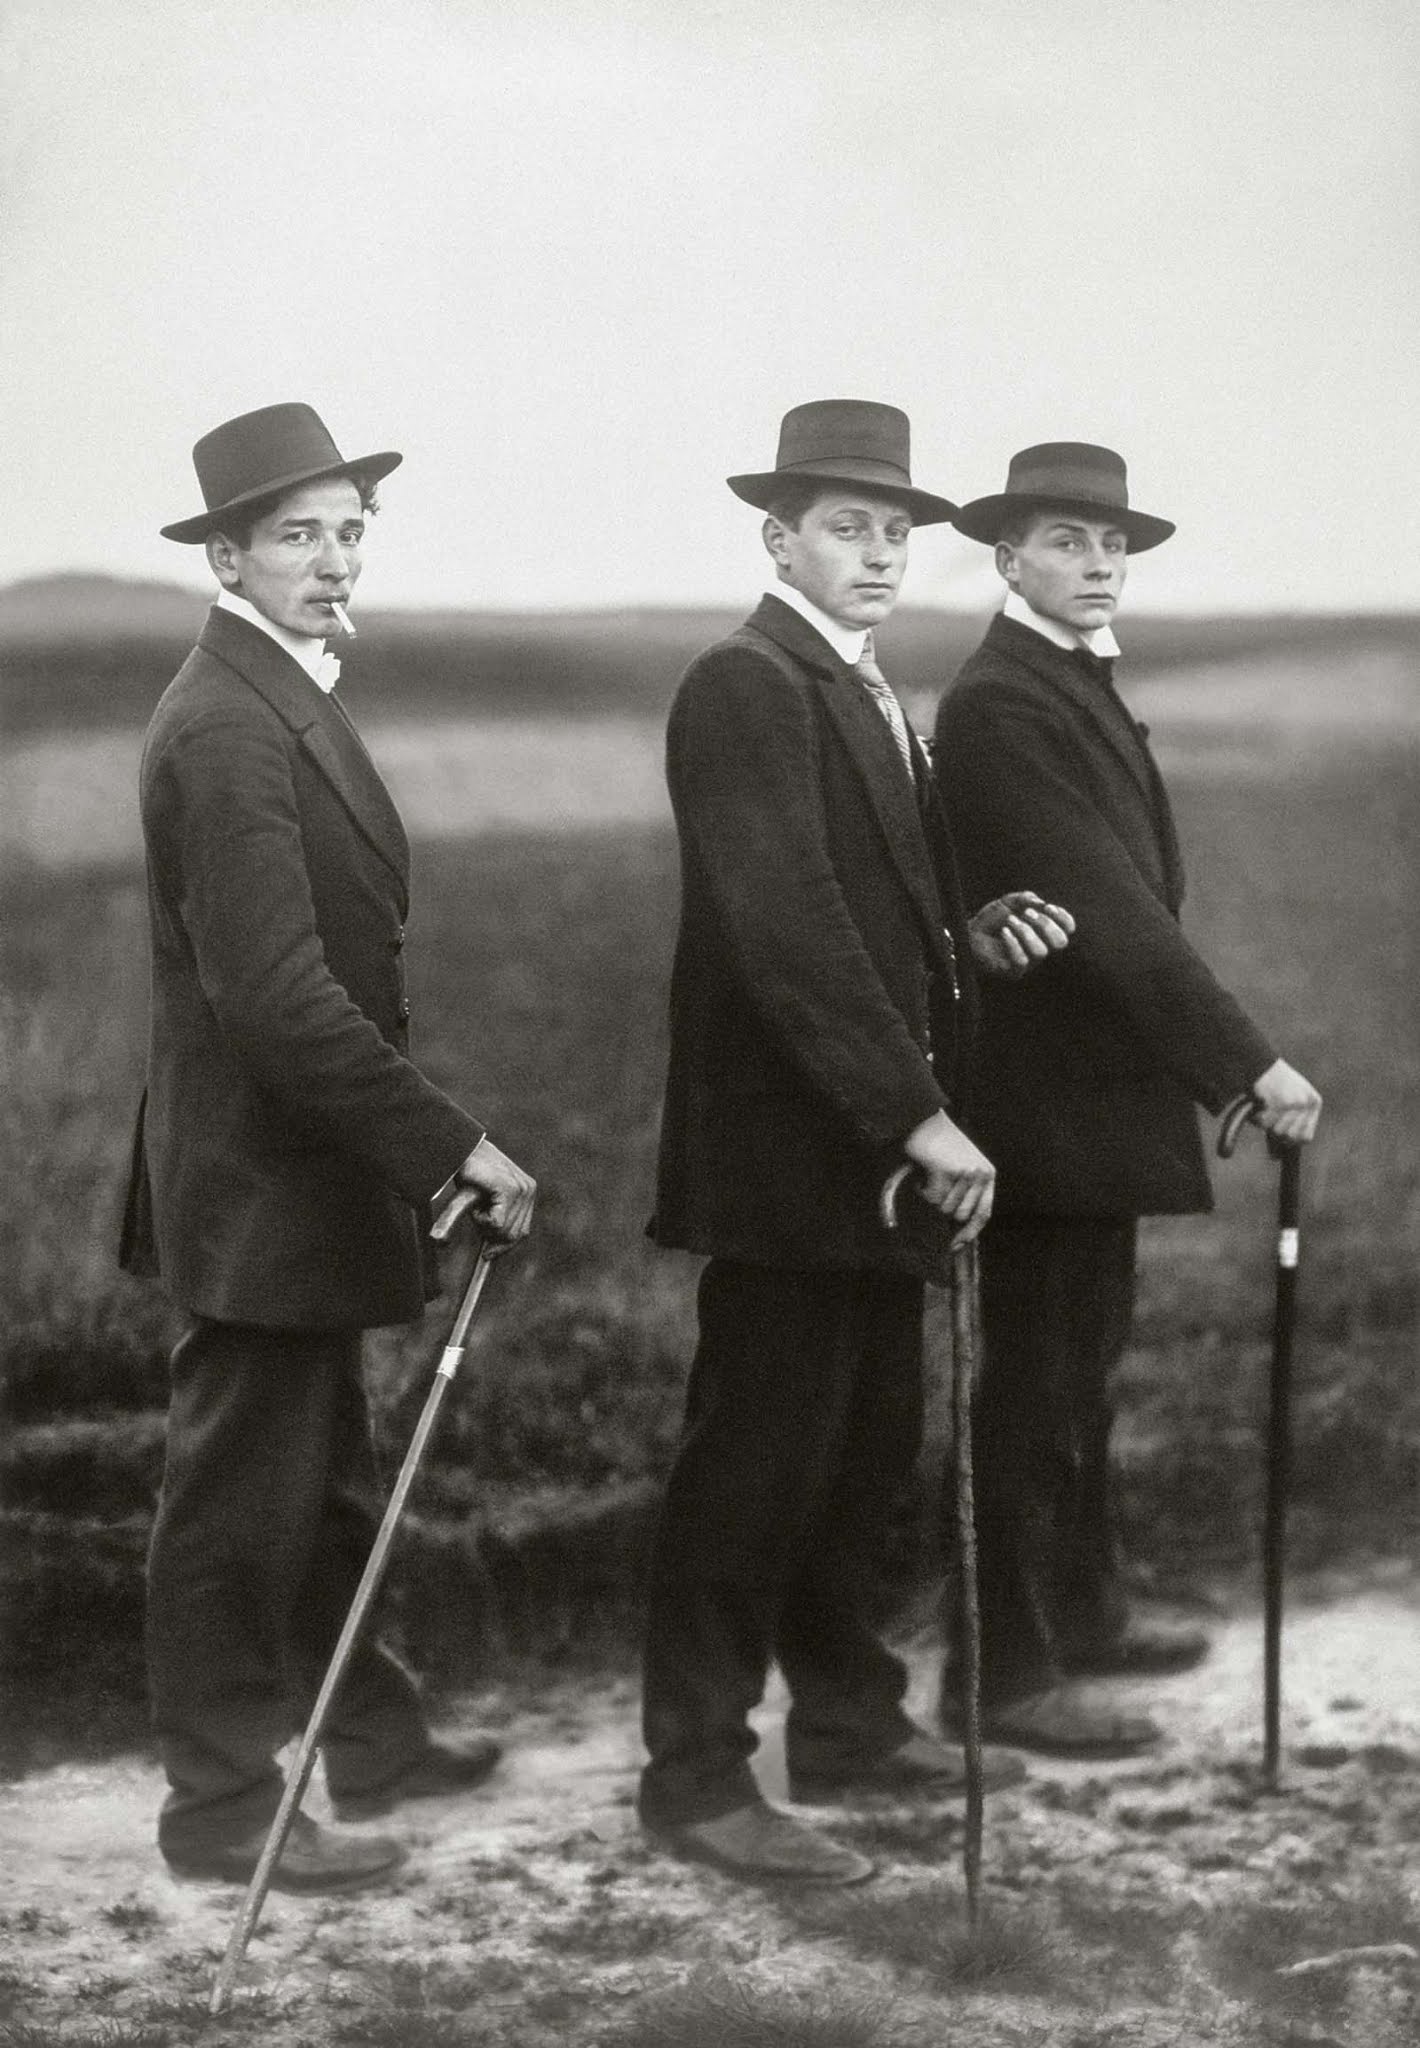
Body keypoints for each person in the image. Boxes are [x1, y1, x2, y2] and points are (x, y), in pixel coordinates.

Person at [639, 400, 1076, 1885]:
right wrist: (918, 1113)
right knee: (752, 1466)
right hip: (790, 1159)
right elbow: (787, 930)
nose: (881, 550)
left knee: (863, 1454)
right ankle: (695, 1780)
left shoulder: (865, 687)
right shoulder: (745, 683)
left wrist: (966, 935)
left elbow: (871, 917)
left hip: (872, 1154)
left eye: (896, 530)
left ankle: (846, 1720)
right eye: (848, 525)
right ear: (780, 537)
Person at [120, 402, 536, 1889]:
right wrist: (450, 1148)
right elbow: (278, 998)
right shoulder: (228, 718)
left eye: (350, 531)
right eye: (299, 534)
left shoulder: (273, 687)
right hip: (260, 1177)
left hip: (296, 1172)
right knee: (239, 1504)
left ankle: (368, 1740)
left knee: (325, 1475)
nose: (334, 559)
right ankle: (221, 1813)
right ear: (227, 553)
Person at [932, 442, 1322, 1757]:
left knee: (1079, 1374)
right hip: (1040, 1102)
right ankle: (1000, 1672)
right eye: (1066, 541)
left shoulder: (1066, 684)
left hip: (1092, 1095)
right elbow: (1107, 906)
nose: (1098, 564)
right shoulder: (1002, 705)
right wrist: (1246, 1064)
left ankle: (1085, 1612)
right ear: (1008, 558)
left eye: (1113, 546)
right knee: (1035, 1386)